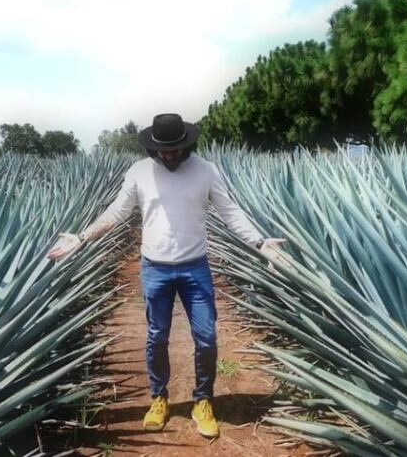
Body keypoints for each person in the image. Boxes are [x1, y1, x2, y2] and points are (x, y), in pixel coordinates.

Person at [47, 113, 286, 439]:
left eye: (176, 150)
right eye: (164, 150)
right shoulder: (139, 172)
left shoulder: (206, 170)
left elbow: (230, 212)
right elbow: (118, 212)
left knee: (206, 338)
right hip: (155, 268)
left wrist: (259, 243)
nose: (170, 155)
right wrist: (83, 237)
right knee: (157, 337)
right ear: (154, 147)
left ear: (186, 145)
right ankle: (159, 398)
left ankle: (203, 401)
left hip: (194, 267)